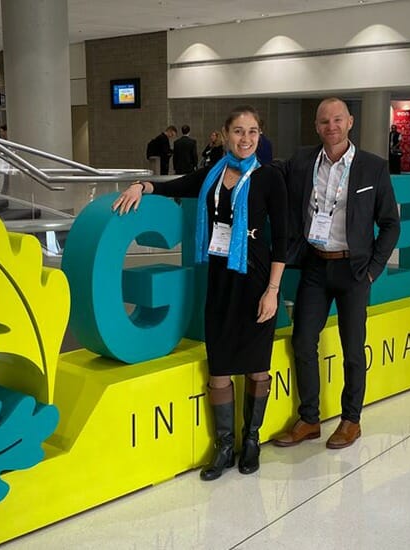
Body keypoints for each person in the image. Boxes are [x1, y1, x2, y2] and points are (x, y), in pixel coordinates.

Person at [113, 106, 287, 480]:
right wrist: (142, 185)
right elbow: (175, 186)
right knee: (220, 369)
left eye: (253, 132)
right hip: (220, 280)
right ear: (224, 134)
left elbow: (285, 239)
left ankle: (251, 440)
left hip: (256, 282)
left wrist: (273, 290)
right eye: (238, 131)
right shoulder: (211, 174)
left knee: (258, 367)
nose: (245, 139)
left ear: (260, 136)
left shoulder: (268, 177)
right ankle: (225, 446)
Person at [274, 97, 400, 450]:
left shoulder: (372, 167)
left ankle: (351, 420)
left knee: (353, 349)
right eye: (324, 121)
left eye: (338, 120)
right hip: (315, 263)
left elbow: (390, 224)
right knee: (302, 341)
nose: (331, 126)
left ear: (350, 122)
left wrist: (373, 270)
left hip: (354, 269)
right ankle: (309, 419)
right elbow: (265, 174)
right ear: (316, 127)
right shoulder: (301, 161)